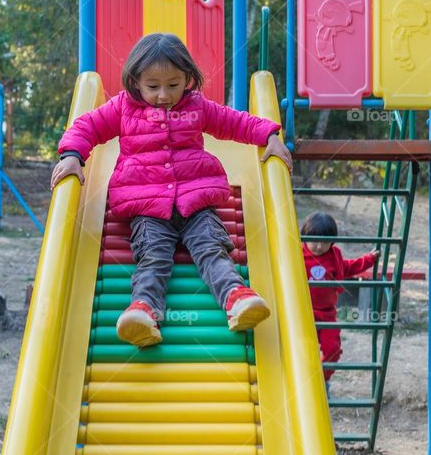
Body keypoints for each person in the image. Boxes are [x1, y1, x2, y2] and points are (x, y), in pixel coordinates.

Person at [51, 33, 292, 347]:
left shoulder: (196, 107)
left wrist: (270, 136)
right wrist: (72, 156)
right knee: (152, 257)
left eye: (174, 85)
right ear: (135, 81)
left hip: (196, 202)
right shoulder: (122, 108)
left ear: (188, 79)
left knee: (211, 248)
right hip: (147, 206)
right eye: (153, 87)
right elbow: (87, 127)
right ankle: (144, 312)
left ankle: (236, 297)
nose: (163, 95)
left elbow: (235, 122)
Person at [301, 212, 380, 382]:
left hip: (327, 313)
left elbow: (348, 267)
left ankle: (321, 379)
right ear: (304, 237)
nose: (319, 246)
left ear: (332, 242)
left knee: (333, 349)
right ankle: (303, 379)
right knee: (303, 350)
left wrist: (368, 260)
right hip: (302, 312)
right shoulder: (297, 256)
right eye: (314, 241)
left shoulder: (333, 256)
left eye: (325, 242)